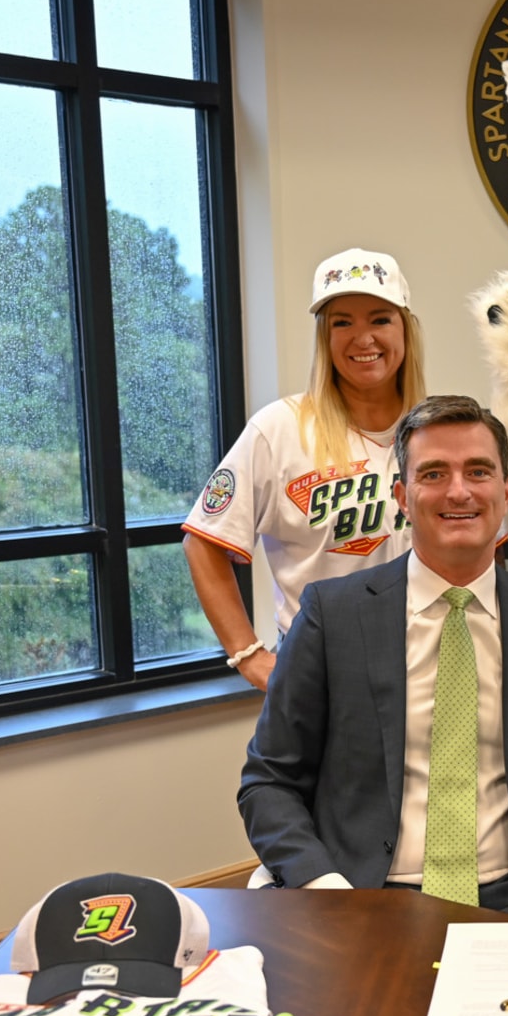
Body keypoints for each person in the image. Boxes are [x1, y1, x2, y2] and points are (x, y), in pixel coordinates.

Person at [239, 395, 508, 924]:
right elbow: (269, 782)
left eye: (478, 471)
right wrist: (326, 888)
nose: (459, 491)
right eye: (434, 474)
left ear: (506, 491)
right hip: (363, 895)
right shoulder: (332, 616)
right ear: (402, 496)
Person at [183, 248, 429, 690]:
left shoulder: (440, 429)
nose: (363, 338)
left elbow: (486, 544)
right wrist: (249, 656)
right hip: (324, 671)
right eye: (342, 323)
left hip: (432, 664)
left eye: (380, 319)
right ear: (324, 337)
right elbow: (202, 541)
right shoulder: (279, 430)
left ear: (405, 329)